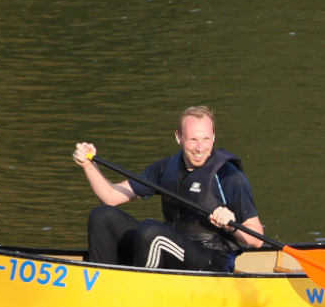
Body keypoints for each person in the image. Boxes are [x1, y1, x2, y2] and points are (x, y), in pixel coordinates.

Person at [72, 105, 265, 271]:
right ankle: (101, 286)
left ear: (214, 137)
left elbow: (257, 239)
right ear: (178, 137)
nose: (200, 148)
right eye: (193, 140)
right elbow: (111, 197)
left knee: (151, 232)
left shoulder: (229, 176)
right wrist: (89, 166)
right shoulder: (165, 168)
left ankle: (142, 298)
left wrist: (230, 226)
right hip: (171, 245)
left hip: (211, 259)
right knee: (102, 216)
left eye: (206, 139)